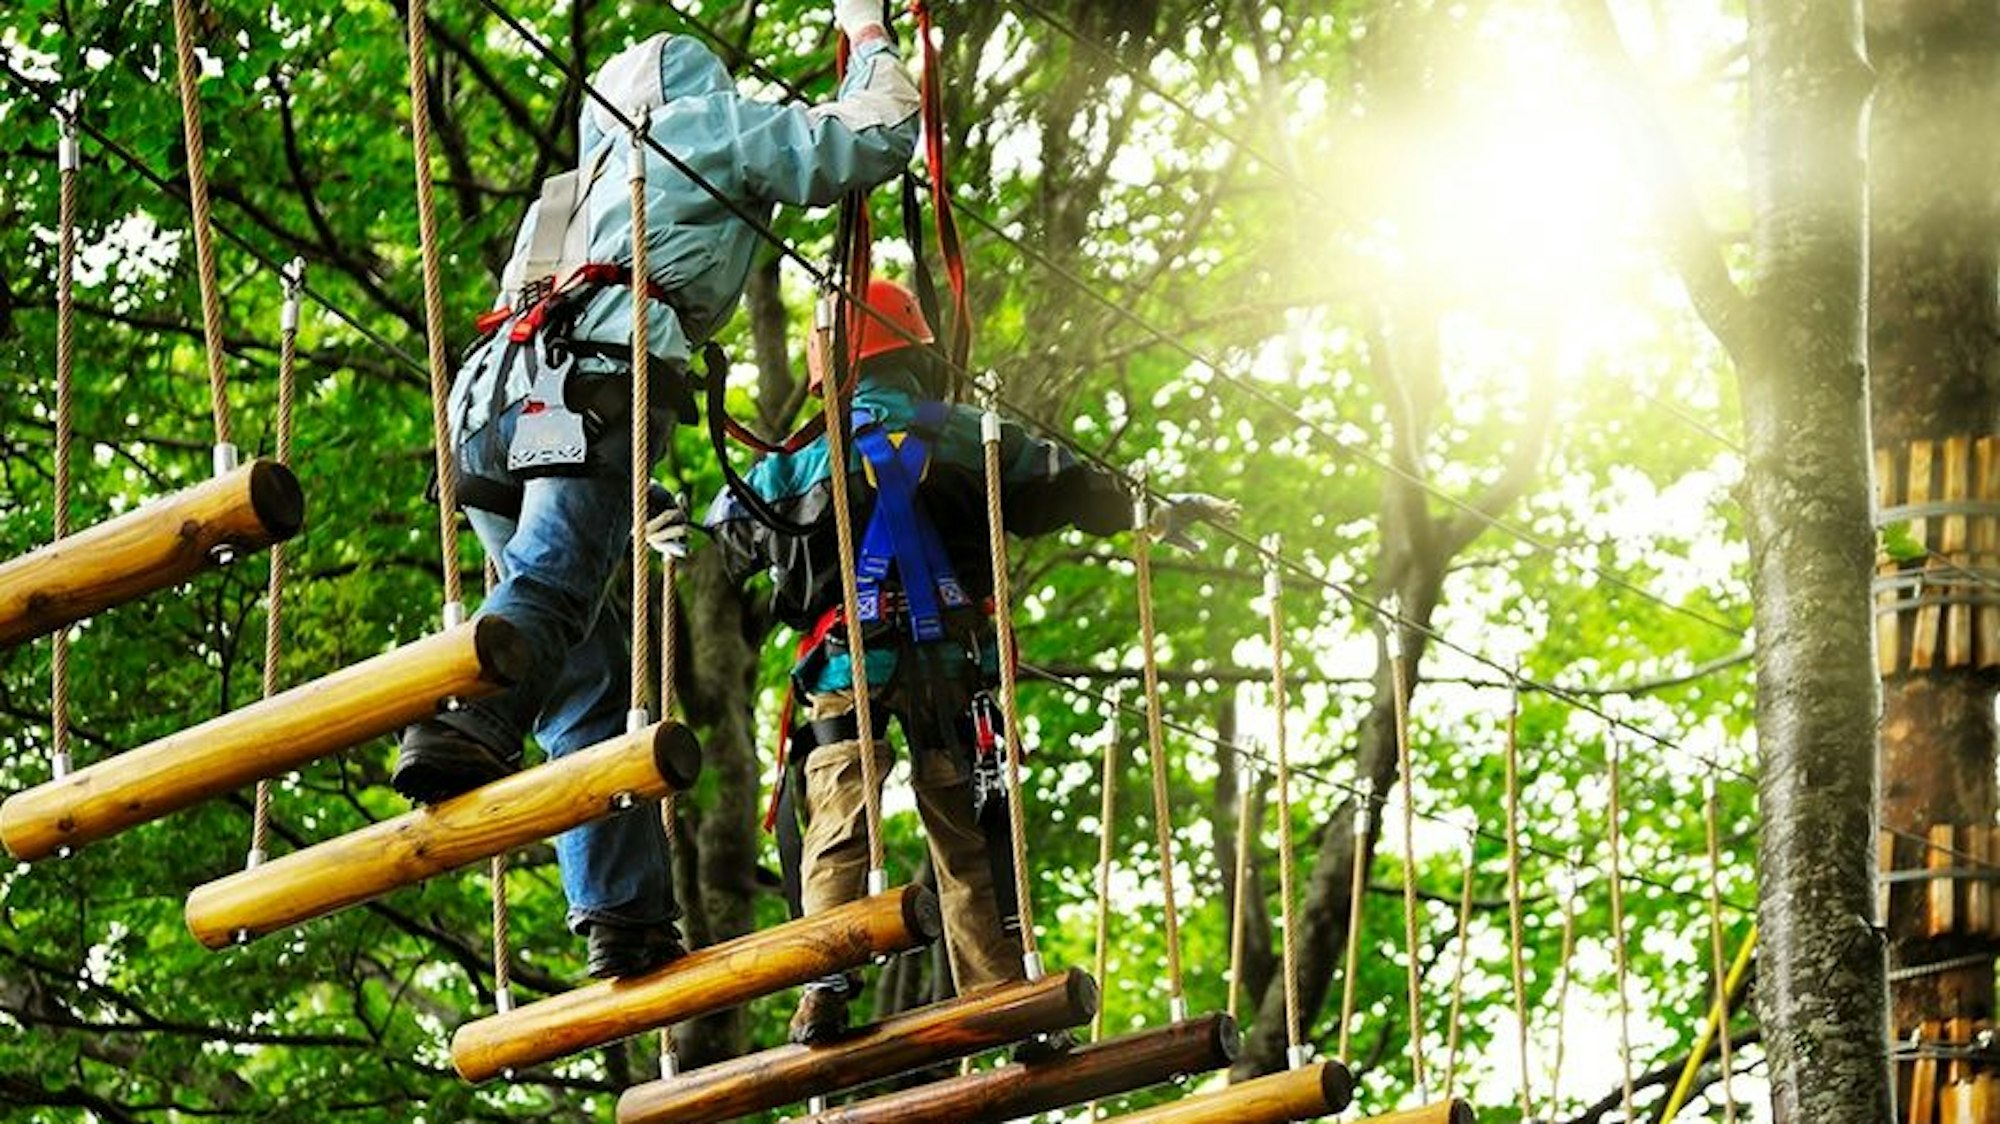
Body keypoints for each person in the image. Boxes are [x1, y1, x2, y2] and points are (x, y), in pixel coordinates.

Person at [390, 4, 921, 982]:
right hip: (591, 377)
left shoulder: (568, 188)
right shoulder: (701, 127)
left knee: (587, 678)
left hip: (486, 411)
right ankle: (463, 719)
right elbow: (873, 138)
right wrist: (867, 33)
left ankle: (621, 915)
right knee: (554, 582)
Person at [702, 277, 1238, 1048]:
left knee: (838, 824)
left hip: (845, 671)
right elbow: (1072, 486)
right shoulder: (977, 437)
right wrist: (1150, 506)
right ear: (920, 357)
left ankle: (825, 982)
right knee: (971, 842)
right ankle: (1003, 1000)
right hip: (954, 669)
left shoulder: (795, 468)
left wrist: (662, 518)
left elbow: (730, 534)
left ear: (829, 372)